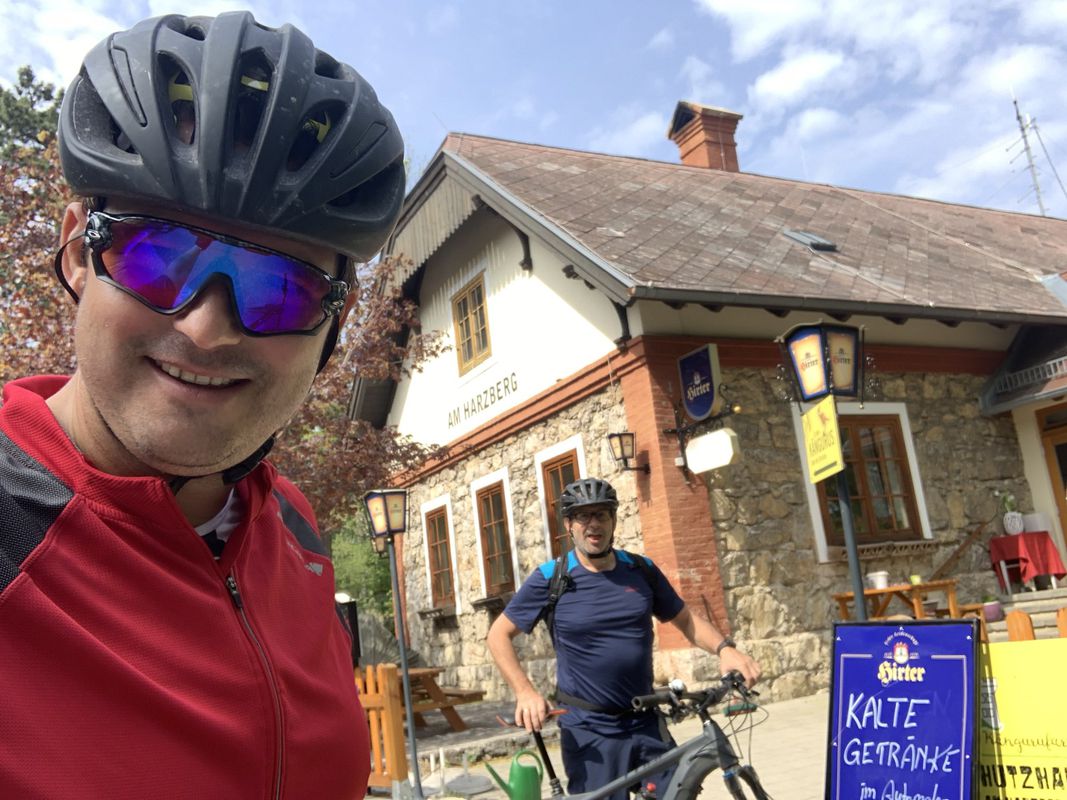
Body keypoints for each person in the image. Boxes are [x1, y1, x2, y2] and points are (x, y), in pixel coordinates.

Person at [0, 12, 405, 799]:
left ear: (336, 322)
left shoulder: (292, 528)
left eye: (277, 287)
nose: (206, 326)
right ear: (81, 251)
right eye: (157, 257)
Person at [487, 477, 761, 800]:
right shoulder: (551, 578)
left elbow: (684, 619)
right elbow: (498, 634)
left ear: (613, 519)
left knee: (679, 794)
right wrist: (525, 692)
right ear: (568, 525)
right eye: (582, 516)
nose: (593, 524)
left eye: (601, 514)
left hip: (646, 721)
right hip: (589, 730)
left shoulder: (640, 570)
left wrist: (725, 649)